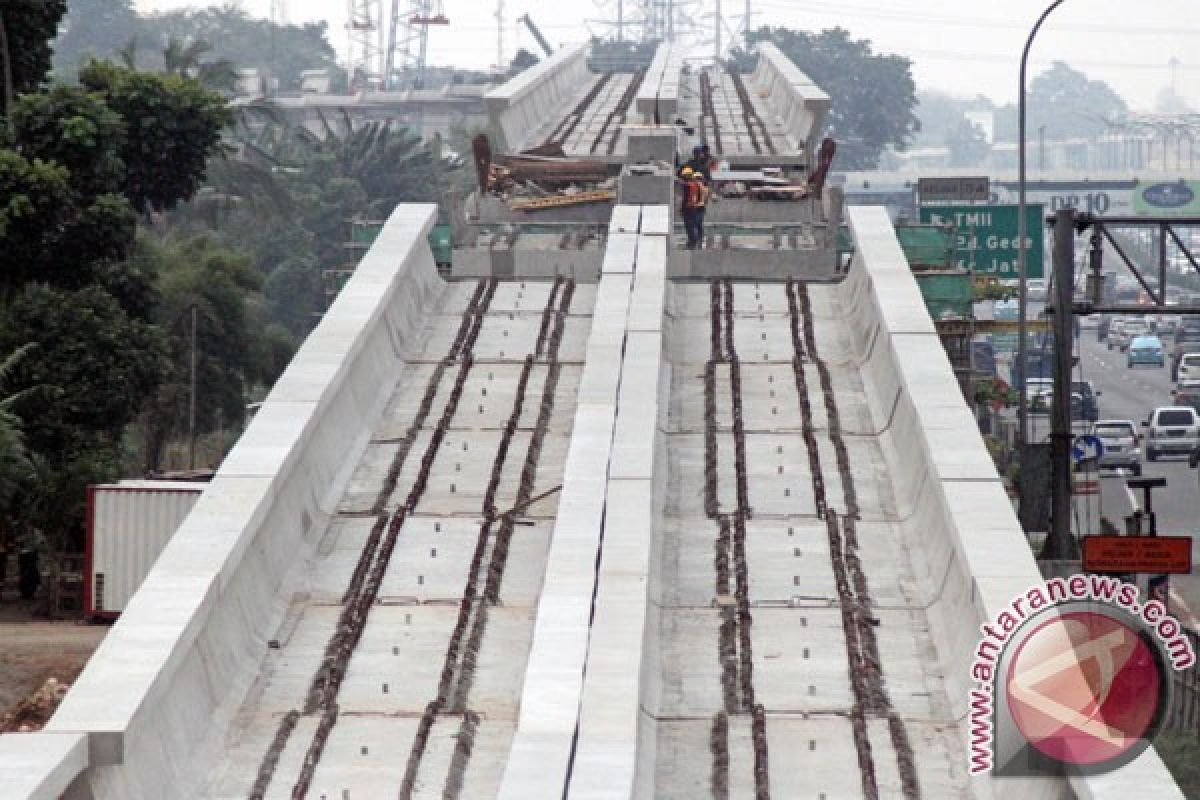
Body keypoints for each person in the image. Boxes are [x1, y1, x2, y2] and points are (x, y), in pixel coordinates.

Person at [679, 167, 710, 249]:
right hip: (696, 206)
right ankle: (696, 240)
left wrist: (682, 209)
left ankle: (693, 242)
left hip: (692, 207)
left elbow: (686, 198)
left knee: (691, 225)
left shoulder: (690, 185)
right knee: (696, 224)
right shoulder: (698, 185)